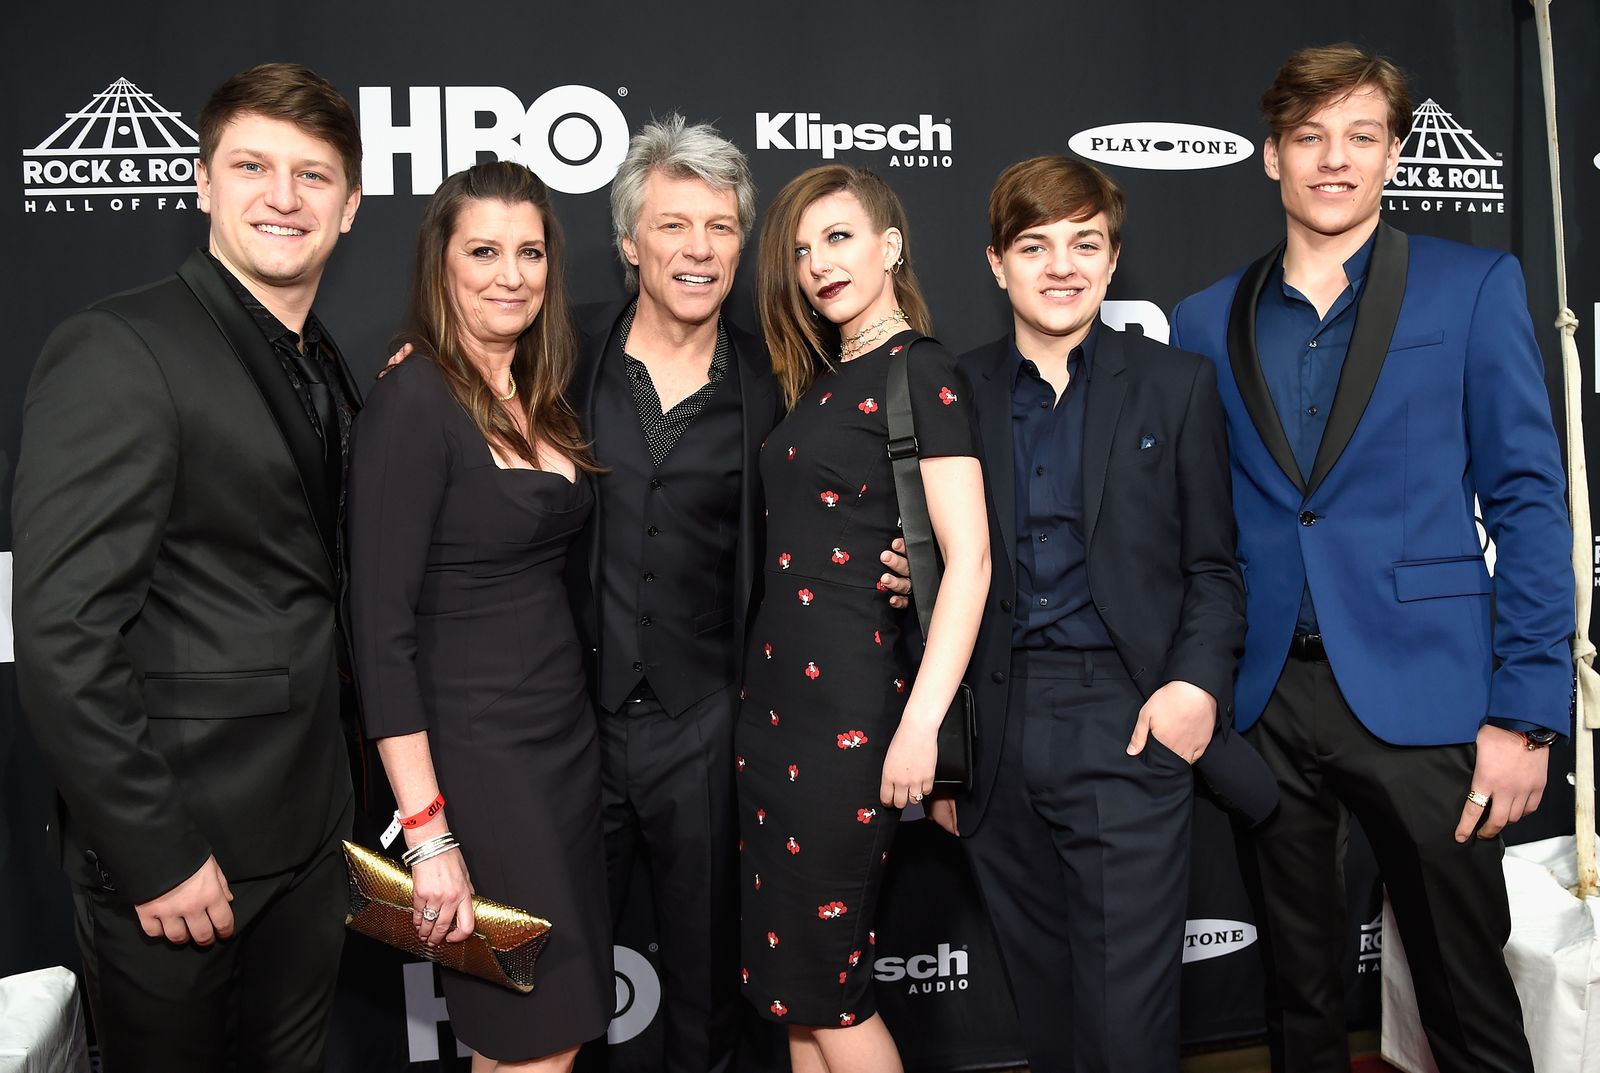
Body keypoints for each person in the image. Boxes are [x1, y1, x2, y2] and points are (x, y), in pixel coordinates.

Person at [1170, 44, 1573, 1073]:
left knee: (1464, 990)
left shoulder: (1473, 286)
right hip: (1263, 701)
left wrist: (1526, 711)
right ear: (1271, 157)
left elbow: (1527, 500)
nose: (1333, 161)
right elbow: (1183, 521)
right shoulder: (1202, 321)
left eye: (1359, 137)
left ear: (1393, 154)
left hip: (1427, 694)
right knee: (1295, 995)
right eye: (1309, 138)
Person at [12, 63, 362, 1072]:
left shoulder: (323, 358)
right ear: (203, 183)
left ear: (349, 205)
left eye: (313, 174)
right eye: (253, 165)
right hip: (181, 852)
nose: (283, 196)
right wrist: (154, 851)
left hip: (307, 839)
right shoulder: (121, 346)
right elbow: (63, 632)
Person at [564, 118, 914, 1073]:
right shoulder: (560, 346)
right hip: (570, 723)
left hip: (713, 722)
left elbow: (860, 490)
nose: (699, 249)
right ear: (629, 242)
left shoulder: (782, 377)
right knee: (557, 990)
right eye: (674, 226)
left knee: (716, 991)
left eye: (721, 227)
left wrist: (906, 555)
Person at [924, 156, 1246, 1073]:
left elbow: (1215, 567)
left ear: (1111, 263)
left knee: (1127, 1027)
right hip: (996, 725)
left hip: (1128, 717)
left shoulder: (1176, 385)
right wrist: (948, 757)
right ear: (996, 263)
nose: (1060, 265)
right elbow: (930, 571)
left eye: (1084, 243)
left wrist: (1191, 690)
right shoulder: (954, 388)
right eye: (1035, 245)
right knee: (1046, 1013)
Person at [349, 161, 612, 1072]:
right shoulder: (412, 400)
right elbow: (379, 632)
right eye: (485, 251)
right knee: (537, 1037)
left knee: (532, 1034)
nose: (511, 274)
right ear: (442, 265)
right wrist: (428, 832)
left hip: (563, 752)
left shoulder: (536, 390)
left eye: (530, 251)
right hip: (480, 765)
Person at [737, 164, 990, 1073]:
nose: (817, 264)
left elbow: (971, 558)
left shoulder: (920, 369)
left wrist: (920, 722)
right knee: (798, 998)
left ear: (889, 248)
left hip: (853, 716)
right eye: (801, 250)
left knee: (832, 994)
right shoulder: (819, 379)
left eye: (838, 238)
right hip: (772, 718)